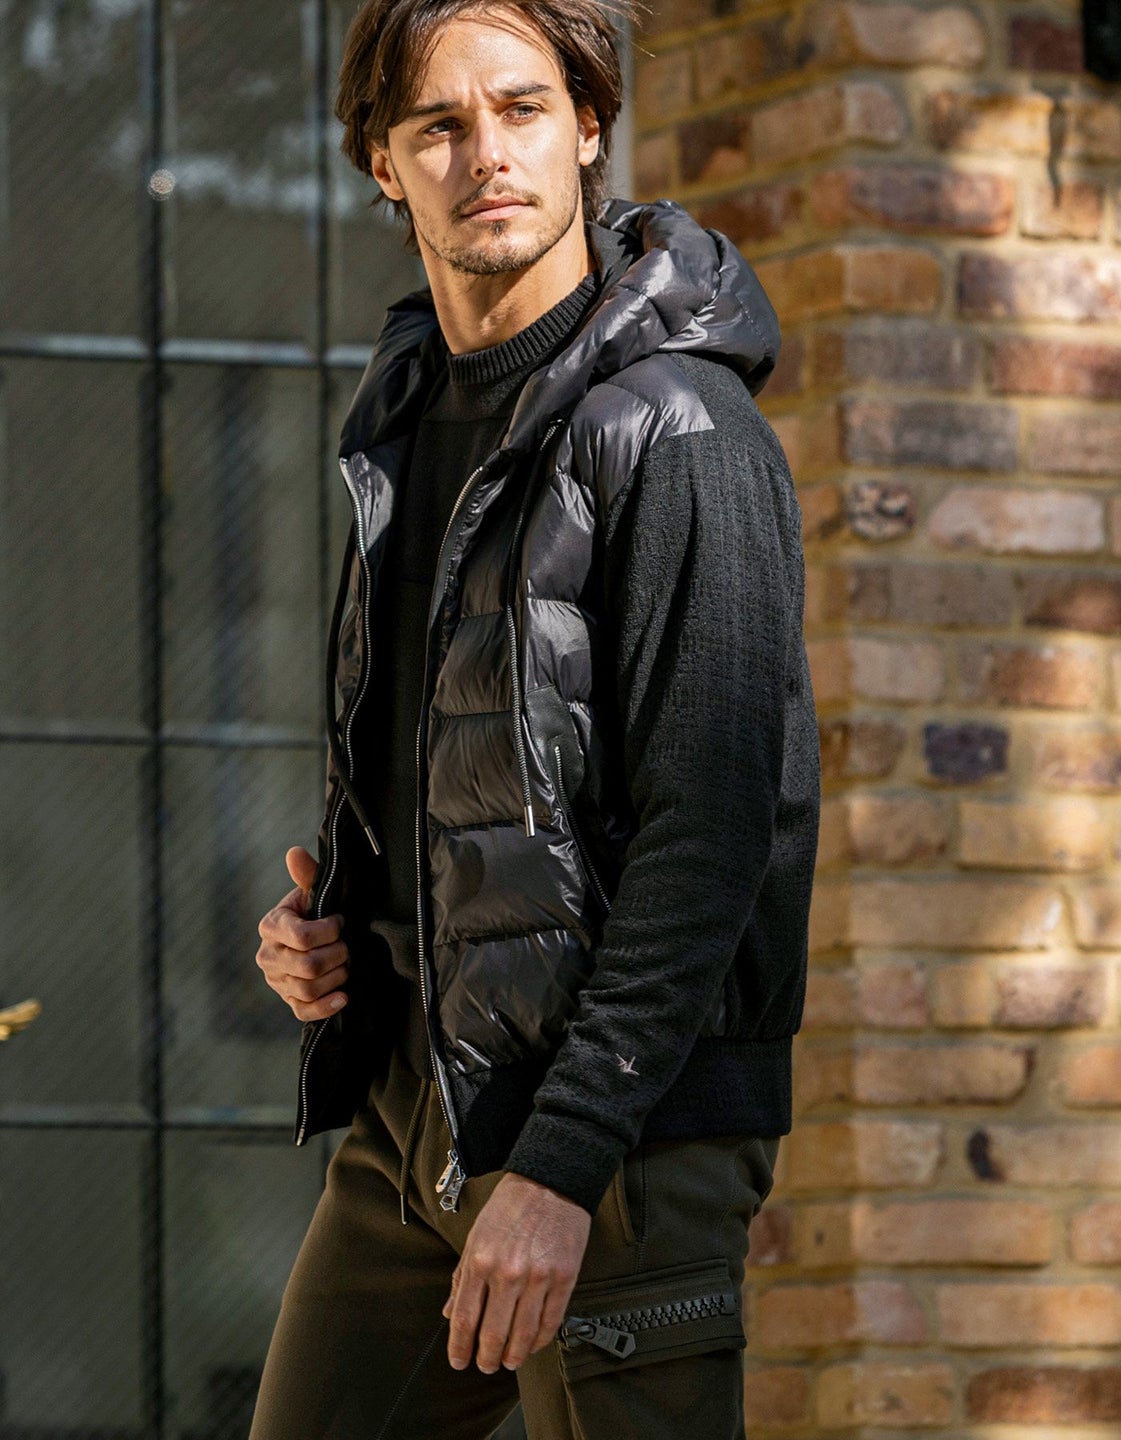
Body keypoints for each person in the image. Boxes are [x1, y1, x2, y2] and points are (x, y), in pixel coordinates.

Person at [249, 0, 820, 1433]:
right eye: (438, 125)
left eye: (521, 109)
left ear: (587, 127)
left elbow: (713, 841)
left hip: (618, 1144)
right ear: (383, 164)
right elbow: (465, 771)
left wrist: (564, 1167)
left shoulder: (680, 432)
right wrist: (338, 932)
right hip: (419, 1106)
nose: (486, 155)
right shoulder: (401, 420)